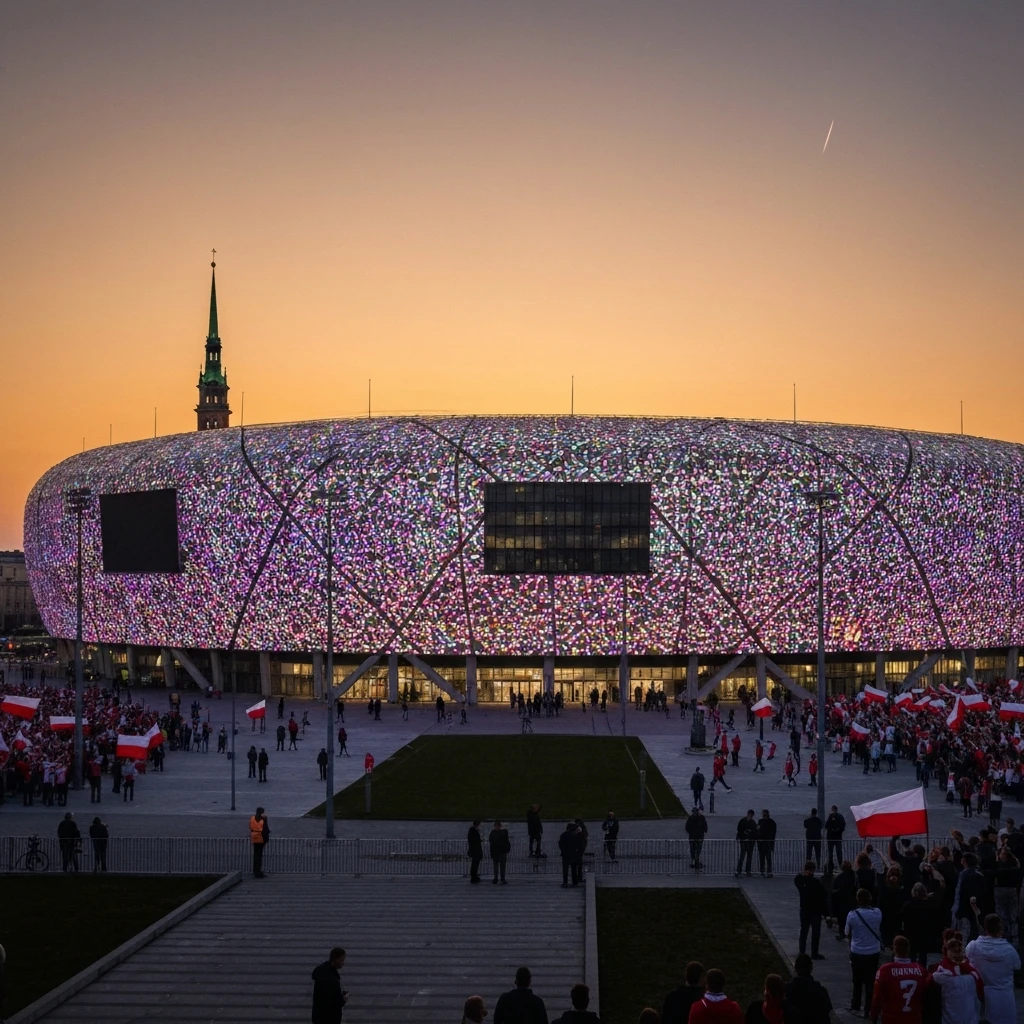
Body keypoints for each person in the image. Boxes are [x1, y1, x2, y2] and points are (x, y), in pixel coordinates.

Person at [965, 913, 1019, 1024]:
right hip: (1004, 1000)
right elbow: (1017, 966)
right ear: (1001, 929)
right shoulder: (1010, 950)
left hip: (982, 998)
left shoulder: (973, 947)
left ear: (985, 928)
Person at [845, 888, 883, 1016]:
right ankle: (868, 1008)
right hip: (873, 950)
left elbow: (847, 933)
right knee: (870, 981)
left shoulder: (852, 915)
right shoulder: (877, 913)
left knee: (857, 980)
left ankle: (855, 1005)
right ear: (870, 899)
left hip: (857, 951)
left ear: (857, 900)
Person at [930, 935, 983, 1024]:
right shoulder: (973, 974)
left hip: (952, 1019)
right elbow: (980, 995)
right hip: (969, 1019)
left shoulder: (941, 974)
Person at [870, 935, 923, 1024]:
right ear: (908, 949)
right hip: (913, 1017)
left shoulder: (885, 970)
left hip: (891, 1017)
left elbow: (877, 997)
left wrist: (874, 1015)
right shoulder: (920, 970)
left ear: (894, 949)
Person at [783, 954, 832, 1024]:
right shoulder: (821, 991)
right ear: (811, 968)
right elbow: (826, 1017)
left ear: (795, 968)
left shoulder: (788, 990)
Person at [795, 860, 828, 960]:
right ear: (813, 870)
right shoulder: (816, 883)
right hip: (815, 911)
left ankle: (802, 952)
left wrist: (804, 875)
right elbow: (823, 897)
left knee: (804, 931)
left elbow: (797, 879)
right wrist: (825, 912)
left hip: (804, 909)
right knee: (815, 933)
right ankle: (814, 953)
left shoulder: (801, 881)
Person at [311, 947, 347, 1024]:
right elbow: (334, 1002)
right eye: (341, 960)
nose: (343, 962)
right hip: (329, 1018)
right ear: (335, 959)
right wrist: (343, 999)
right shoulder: (331, 978)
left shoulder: (322, 969)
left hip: (318, 1016)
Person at [735, 809, 757, 877]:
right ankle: (740, 870)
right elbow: (739, 829)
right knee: (743, 855)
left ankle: (747, 870)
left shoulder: (752, 822)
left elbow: (754, 832)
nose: (749, 816)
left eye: (751, 815)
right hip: (744, 840)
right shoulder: (743, 821)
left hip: (750, 841)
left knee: (748, 856)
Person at [559, 822, 581, 887]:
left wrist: (562, 850)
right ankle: (574, 882)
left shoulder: (563, 835)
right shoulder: (575, 836)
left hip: (565, 854)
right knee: (574, 869)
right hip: (573, 854)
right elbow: (578, 845)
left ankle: (565, 882)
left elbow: (560, 844)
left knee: (565, 869)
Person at [825, 805, 846, 872]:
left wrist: (831, 829)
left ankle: (831, 866)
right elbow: (843, 826)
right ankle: (840, 865)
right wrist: (838, 830)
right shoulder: (840, 817)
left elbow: (826, 825)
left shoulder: (830, 816)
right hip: (837, 837)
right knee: (838, 852)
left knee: (831, 852)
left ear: (833, 809)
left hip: (831, 837)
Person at [490, 819, 511, 885]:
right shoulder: (503, 833)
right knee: (502, 866)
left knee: (496, 866)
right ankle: (502, 878)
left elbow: (491, 841)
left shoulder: (492, 833)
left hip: (496, 852)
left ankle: (496, 878)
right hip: (502, 852)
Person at [756, 809, 776, 878]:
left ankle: (768, 871)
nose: (763, 815)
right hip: (761, 842)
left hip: (767, 842)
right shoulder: (760, 821)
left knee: (768, 857)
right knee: (762, 857)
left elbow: (773, 834)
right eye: (763, 814)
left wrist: (772, 843)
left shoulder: (772, 822)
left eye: (764, 814)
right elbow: (757, 830)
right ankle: (762, 871)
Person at [250, 806, 269, 877]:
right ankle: (258, 872)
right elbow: (265, 830)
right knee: (259, 856)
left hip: (254, 837)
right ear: (262, 812)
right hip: (261, 838)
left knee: (256, 855)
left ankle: (255, 870)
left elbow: (251, 828)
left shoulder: (252, 818)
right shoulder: (263, 819)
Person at [468, 819, 484, 884]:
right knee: (475, 864)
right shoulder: (473, 831)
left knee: (475, 864)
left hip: (474, 850)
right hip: (475, 851)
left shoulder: (472, 831)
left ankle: (474, 876)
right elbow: (475, 841)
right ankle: (473, 877)